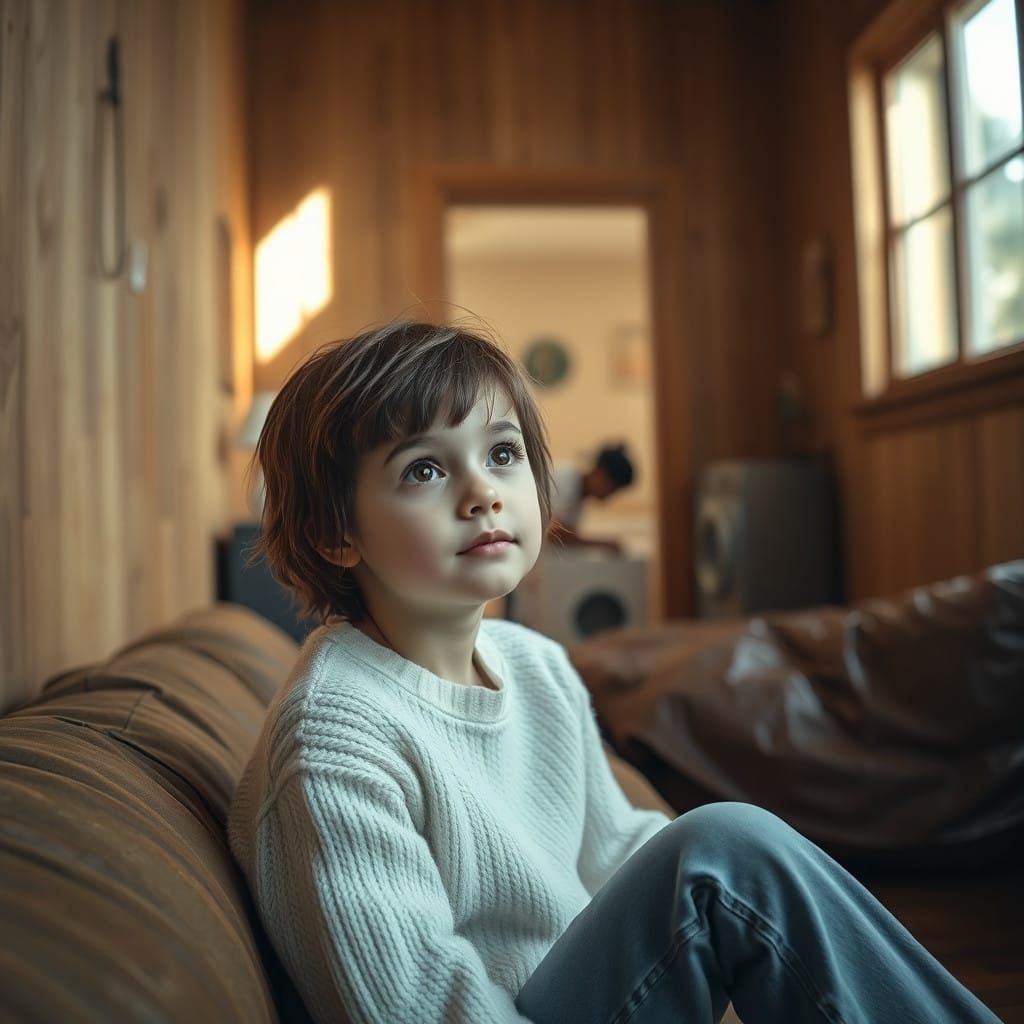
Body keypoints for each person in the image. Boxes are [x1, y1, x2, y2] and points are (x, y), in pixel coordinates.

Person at [228, 320, 1000, 1024]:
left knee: (722, 855)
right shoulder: (335, 735)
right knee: (724, 851)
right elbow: (415, 1008)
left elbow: (619, 852)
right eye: (424, 470)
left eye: (502, 454)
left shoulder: (534, 664)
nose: (483, 493)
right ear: (336, 534)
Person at [549, 443, 634, 555]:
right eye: (612, 488)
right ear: (600, 473)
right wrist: (603, 544)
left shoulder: (579, 500)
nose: (610, 495)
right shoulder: (565, 479)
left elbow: (567, 538)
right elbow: (553, 533)